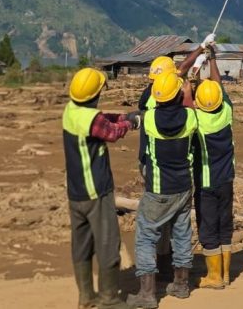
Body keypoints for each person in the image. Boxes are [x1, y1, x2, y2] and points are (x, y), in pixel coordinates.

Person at [63, 67, 140, 309]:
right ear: (95, 94)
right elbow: (112, 132)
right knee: (108, 245)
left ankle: (86, 297)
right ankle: (109, 299)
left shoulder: (71, 111)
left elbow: (103, 119)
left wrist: (124, 115)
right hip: (96, 192)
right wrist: (132, 122)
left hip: (75, 194)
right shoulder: (92, 120)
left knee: (82, 245)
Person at [128, 69, 199, 308]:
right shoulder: (191, 118)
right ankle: (181, 285)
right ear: (178, 94)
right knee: (181, 234)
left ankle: (147, 294)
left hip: (159, 189)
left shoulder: (149, 119)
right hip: (183, 187)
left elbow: (135, 118)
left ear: (157, 97)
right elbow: (189, 107)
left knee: (146, 237)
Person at [192, 45, 235, 289]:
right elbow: (219, 87)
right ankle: (226, 273)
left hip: (206, 183)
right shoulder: (227, 111)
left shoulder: (197, 120)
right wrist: (213, 60)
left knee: (208, 229)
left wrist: (196, 70)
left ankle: (214, 277)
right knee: (224, 225)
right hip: (227, 179)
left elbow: (189, 98)